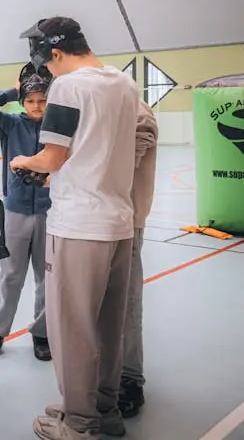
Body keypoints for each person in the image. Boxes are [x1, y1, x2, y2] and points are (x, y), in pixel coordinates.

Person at [9, 17, 140, 440]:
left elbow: (52, 157)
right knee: (107, 327)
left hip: (78, 226)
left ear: (57, 54)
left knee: (73, 330)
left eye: (48, 64)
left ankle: (80, 424)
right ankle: (104, 411)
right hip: (118, 224)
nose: (48, 73)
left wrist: (23, 162)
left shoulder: (68, 87)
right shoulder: (124, 84)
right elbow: (97, 150)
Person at [0, 64, 53, 362]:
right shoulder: (10, 124)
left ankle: (42, 334)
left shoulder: (57, 127)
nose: (37, 106)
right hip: (16, 211)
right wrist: (14, 90)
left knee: (47, 277)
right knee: (10, 275)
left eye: (43, 100)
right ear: (23, 101)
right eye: (31, 100)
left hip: (50, 212)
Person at [120, 99, 158, 417]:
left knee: (127, 303)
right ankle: (109, 373)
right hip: (98, 221)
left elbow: (141, 137)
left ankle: (131, 379)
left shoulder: (135, 108)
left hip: (126, 220)